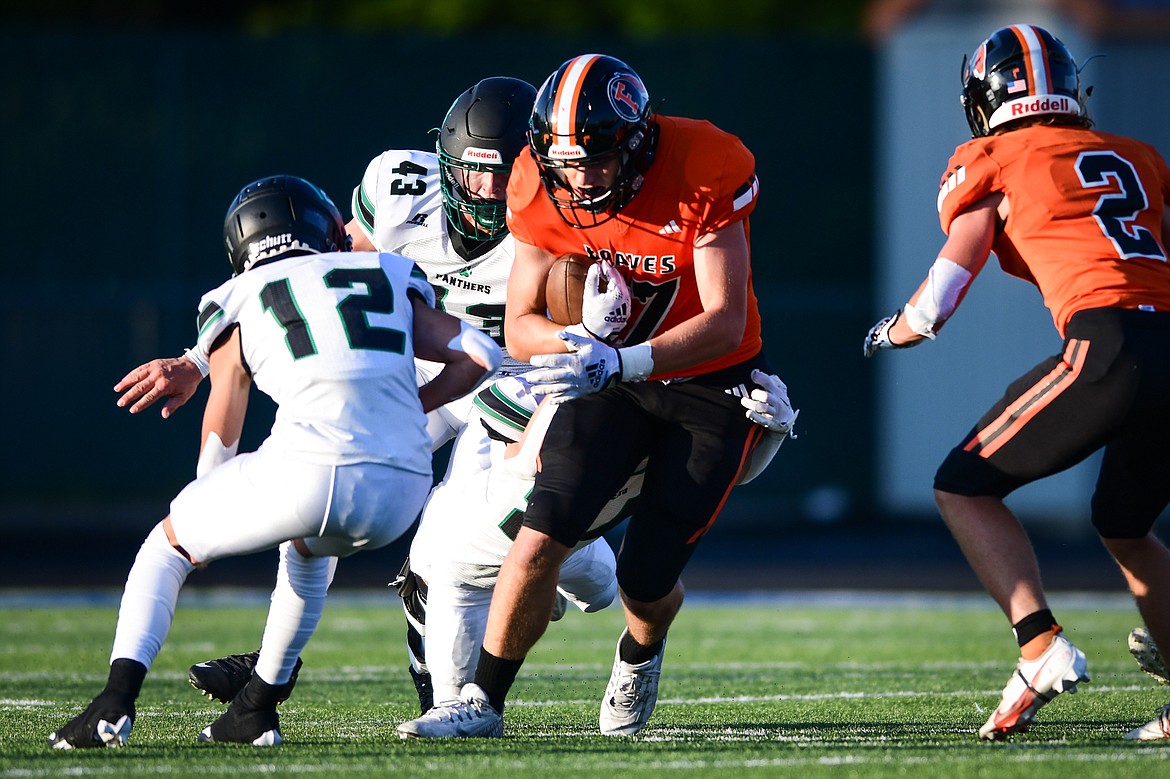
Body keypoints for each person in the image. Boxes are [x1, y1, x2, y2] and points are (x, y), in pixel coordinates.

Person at [397, 52, 792, 739]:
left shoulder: (704, 162)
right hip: (611, 376)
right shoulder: (538, 183)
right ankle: (482, 700)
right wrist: (578, 336)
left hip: (709, 379)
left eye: (597, 158)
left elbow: (725, 318)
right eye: (565, 163)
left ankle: (640, 649)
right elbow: (520, 326)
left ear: (637, 143)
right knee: (542, 530)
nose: (579, 178)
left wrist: (621, 356)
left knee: (645, 576)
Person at [47, 174, 501, 749]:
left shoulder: (237, 296)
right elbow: (479, 353)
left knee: (164, 547)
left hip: (309, 471)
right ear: (325, 230)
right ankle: (255, 708)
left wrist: (202, 517)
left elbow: (226, 405)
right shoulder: (386, 272)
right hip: (402, 487)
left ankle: (113, 703)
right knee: (308, 552)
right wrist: (409, 410)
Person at [863, 24, 1170, 741]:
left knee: (961, 483)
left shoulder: (992, 155)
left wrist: (895, 328)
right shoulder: (1139, 156)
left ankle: (1039, 643)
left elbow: (948, 282)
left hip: (1109, 344)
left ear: (985, 98)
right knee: (1125, 523)